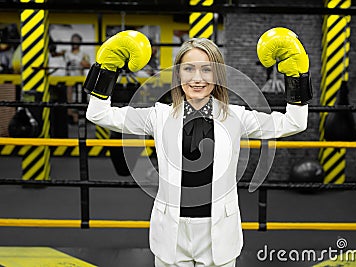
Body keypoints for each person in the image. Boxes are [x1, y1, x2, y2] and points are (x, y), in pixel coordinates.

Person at [85, 28, 312, 267]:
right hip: (171, 233)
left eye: (206, 69)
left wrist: (297, 75)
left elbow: (294, 122)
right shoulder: (158, 116)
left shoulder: (235, 116)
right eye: (188, 68)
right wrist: (106, 68)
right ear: (178, 74)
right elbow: (98, 113)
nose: (197, 78)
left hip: (219, 232)